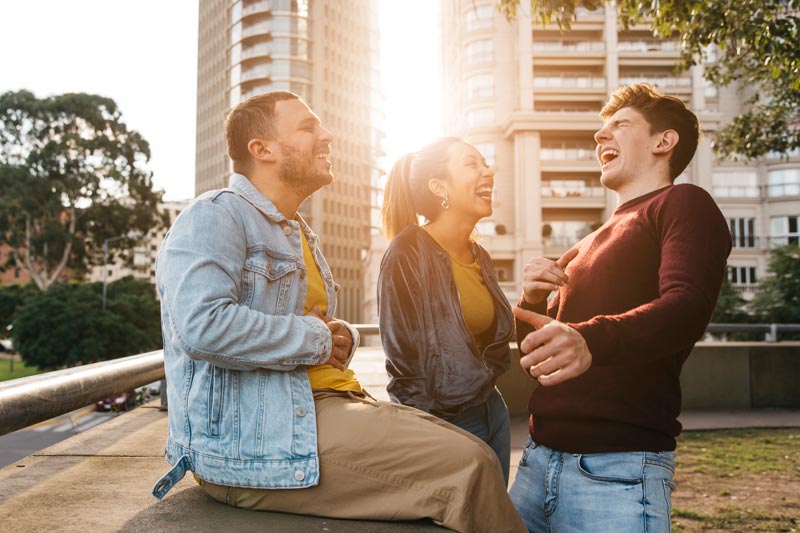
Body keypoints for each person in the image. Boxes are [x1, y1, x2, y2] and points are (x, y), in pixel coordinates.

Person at [151, 92, 525, 533]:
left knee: (467, 448)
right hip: (257, 442)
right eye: (308, 127)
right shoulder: (214, 216)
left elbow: (304, 329)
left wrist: (338, 335)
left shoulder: (300, 234)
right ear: (262, 149)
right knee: (472, 464)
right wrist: (317, 338)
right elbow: (201, 327)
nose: (326, 134)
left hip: (322, 407)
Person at [508, 83, 732, 532]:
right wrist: (531, 300)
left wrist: (588, 338)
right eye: (601, 129)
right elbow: (542, 359)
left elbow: (686, 306)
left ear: (662, 142)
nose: (599, 137)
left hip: (618, 472)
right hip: (536, 462)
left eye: (619, 126)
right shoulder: (590, 240)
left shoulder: (683, 203)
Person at [378, 138, 515, 483]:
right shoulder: (408, 251)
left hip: (492, 411)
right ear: (440, 187)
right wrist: (424, 439)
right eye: (472, 164)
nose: (488, 171)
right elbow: (404, 364)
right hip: (443, 422)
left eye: (486, 163)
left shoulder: (479, 256)